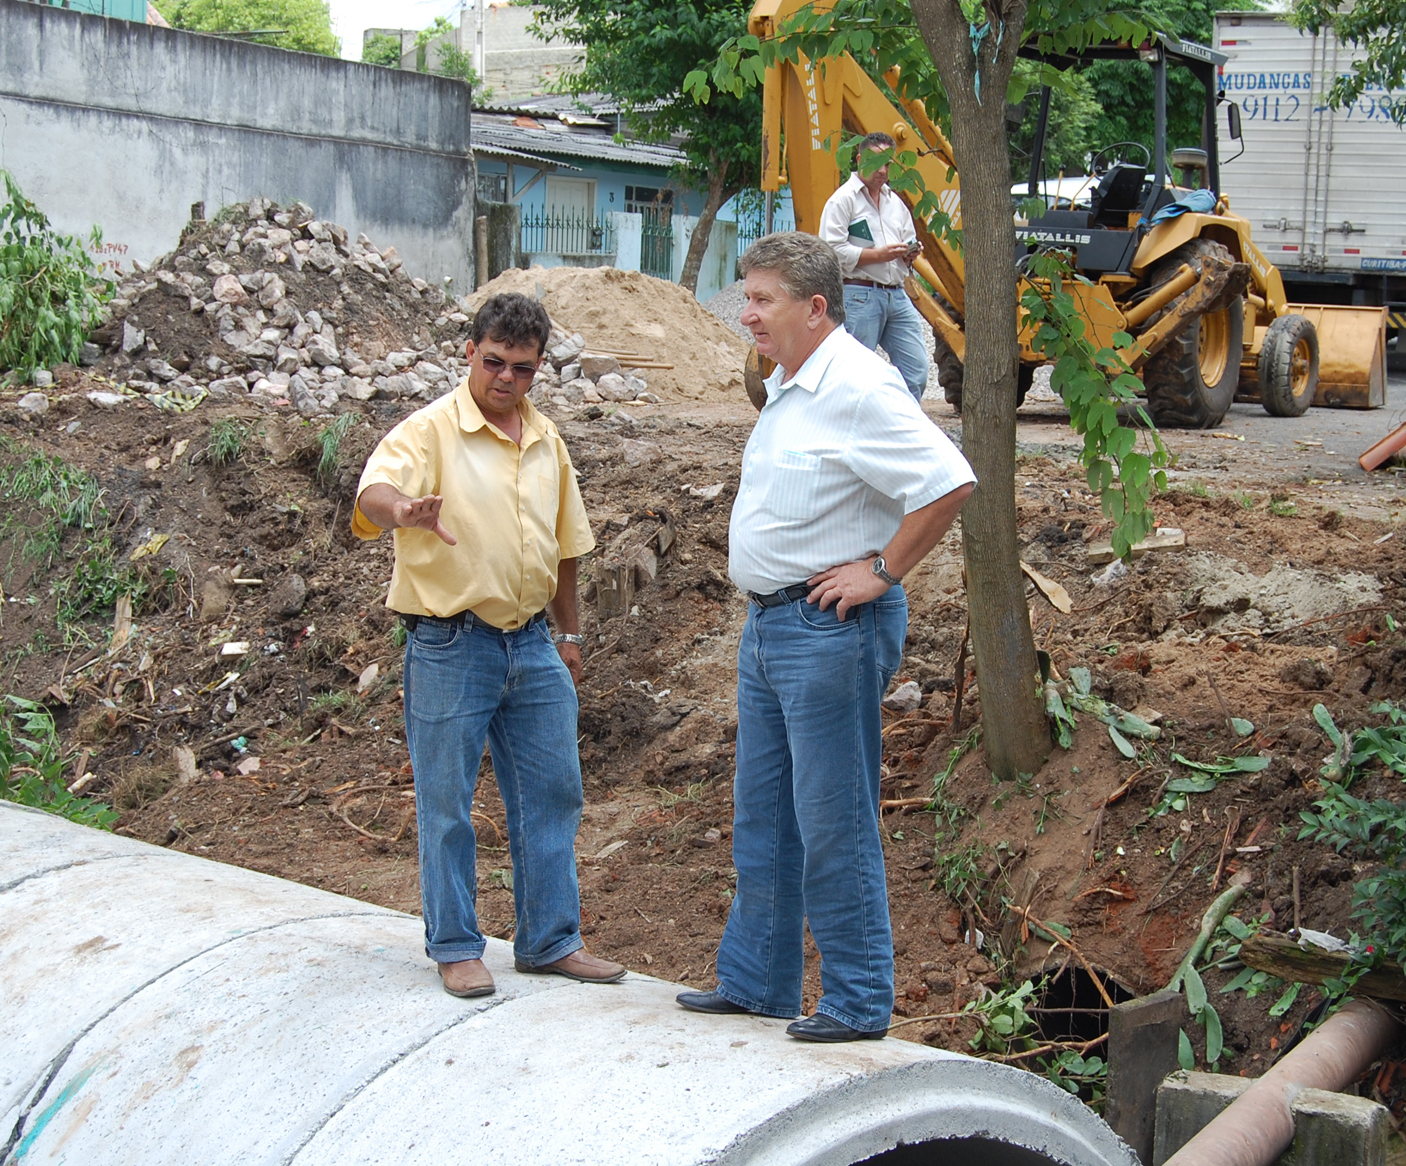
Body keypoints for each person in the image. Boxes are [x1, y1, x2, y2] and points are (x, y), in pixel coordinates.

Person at [677, 232, 976, 1042]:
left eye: (762, 298)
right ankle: (755, 981)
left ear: (816, 307)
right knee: (765, 812)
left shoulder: (859, 385)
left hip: (828, 629)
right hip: (771, 625)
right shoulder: (790, 382)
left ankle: (854, 997)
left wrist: (881, 569)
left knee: (832, 816)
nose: (747, 314)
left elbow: (948, 482)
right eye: (746, 296)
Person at [353, 291, 624, 999]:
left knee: (553, 792)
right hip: (451, 644)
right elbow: (374, 490)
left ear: (538, 371)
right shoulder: (431, 431)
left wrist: (568, 636)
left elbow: (569, 548)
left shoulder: (546, 440)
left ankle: (550, 938)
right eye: (494, 361)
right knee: (446, 799)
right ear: (470, 353)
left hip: (532, 645)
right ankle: (455, 944)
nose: (506, 378)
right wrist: (404, 511)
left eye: (523, 368)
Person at [819, 131, 934, 400]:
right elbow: (831, 251)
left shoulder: (896, 203)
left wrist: (909, 253)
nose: (882, 171)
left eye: (888, 164)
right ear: (859, 159)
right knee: (854, 376)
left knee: (915, 373)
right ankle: (850, 435)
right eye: (876, 162)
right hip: (859, 294)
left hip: (897, 293)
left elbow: (907, 241)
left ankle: (900, 435)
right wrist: (879, 255)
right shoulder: (843, 200)